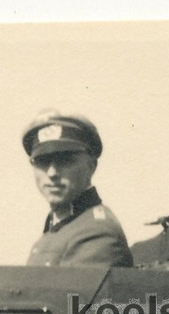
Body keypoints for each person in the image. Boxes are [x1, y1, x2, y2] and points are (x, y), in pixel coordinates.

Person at [22, 111, 133, 267]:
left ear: (91, 166)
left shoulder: (96, 232)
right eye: (43, 161)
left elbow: (73, 293)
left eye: (65, 160)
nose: (52, 173)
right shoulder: (58, 229)